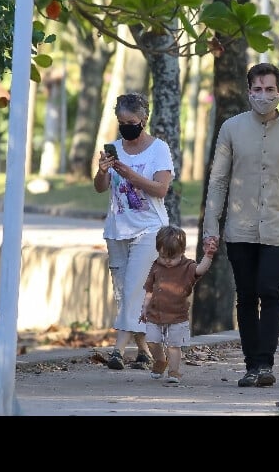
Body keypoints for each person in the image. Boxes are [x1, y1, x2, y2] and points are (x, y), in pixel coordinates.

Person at [203, 62, 279, 388]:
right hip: (240, 227)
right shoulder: (231, 128)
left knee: (270, 290)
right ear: (248, 91)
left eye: (269, 90)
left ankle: (266, 363)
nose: (263, 96)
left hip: (278, 227)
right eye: (257, 90)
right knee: (247, 295)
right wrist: (212, 226)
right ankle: (251, 365)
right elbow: (218, 180)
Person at [94, 92, 175, 370]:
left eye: (131, 121)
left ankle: (117, 350)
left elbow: (161, 189)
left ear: (143, 119)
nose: (125, 126)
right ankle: (143, 350)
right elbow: (100, 188)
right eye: (120, 121)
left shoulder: (159, 149)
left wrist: (130, 174)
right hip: (117, 229)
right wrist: (103, 170)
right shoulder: (114, 147)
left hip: (149, 229)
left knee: (132, 288)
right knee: (124, 293)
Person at [139, 225, 218, 383]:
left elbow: (201, 269)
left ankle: (174, 371)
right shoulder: (156, 266)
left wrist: (208, 255)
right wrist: (144, 308)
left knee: (173, 345)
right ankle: (160, 360)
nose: (167, 261)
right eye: (163, 256)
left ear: (182, 252)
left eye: (172, 257)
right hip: (155, 314)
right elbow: (149, 290)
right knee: (152, 340)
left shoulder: (187, 266)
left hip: (178, 316)